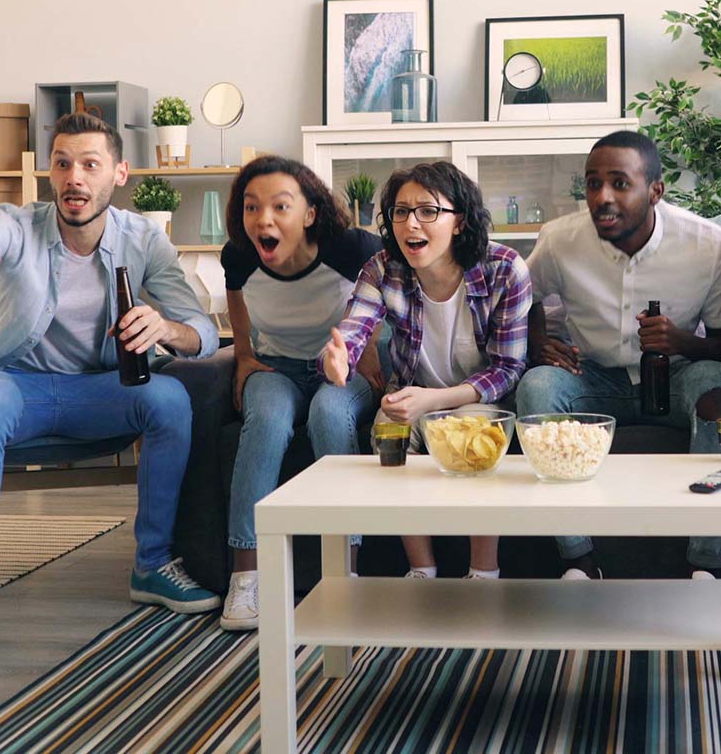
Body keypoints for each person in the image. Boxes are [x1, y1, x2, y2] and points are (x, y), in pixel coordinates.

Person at [0, 112, 221, 675]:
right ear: (50, 174)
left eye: (90, 164)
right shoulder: (15, 225)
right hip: (16, 389)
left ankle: (150, 564)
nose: (74, 177)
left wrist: (166, 330)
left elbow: (201, 330)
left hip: (96, 393)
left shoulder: (143, 238)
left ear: (119, 173)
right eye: (62, 164)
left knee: (169, 400)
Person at [515, 130, 721, 580]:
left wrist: (683, 342)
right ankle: (579, 561)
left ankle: (707, 564)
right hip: (591, 378)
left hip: (677, 377)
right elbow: (520, 294)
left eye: (619, 183)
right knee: (536, 388)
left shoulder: (707, 244)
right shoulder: (560, 239)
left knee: (715, 387)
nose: (602, 196)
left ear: (655, 190)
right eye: (592, 183)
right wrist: (535, 345)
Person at [322, 161, 531, 580]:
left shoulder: (505, 268)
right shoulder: (383, 268)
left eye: (428, 211)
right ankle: (421, 568)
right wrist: (340, 357)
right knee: (388, 429)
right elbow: (355, 328)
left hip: (479, 397)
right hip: (410, 392)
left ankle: (483, 572)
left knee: (476, 435)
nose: (411, 223)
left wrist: (437, 401)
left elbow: (508, 369)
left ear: (460, 222)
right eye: (400, 212)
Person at [219, 155, 383, 631]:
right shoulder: (240, 254)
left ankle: (345, 574)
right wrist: (244, 354)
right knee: (266, 420)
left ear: (309, 213)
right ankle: (245, 578)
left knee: (330, 415)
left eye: (279, 207)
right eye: (251, 208)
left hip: (341, 364)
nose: (262, 220)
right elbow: (235, 296)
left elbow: (379, 289)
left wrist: (368, 352)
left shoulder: (350, 247)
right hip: (278, 365)